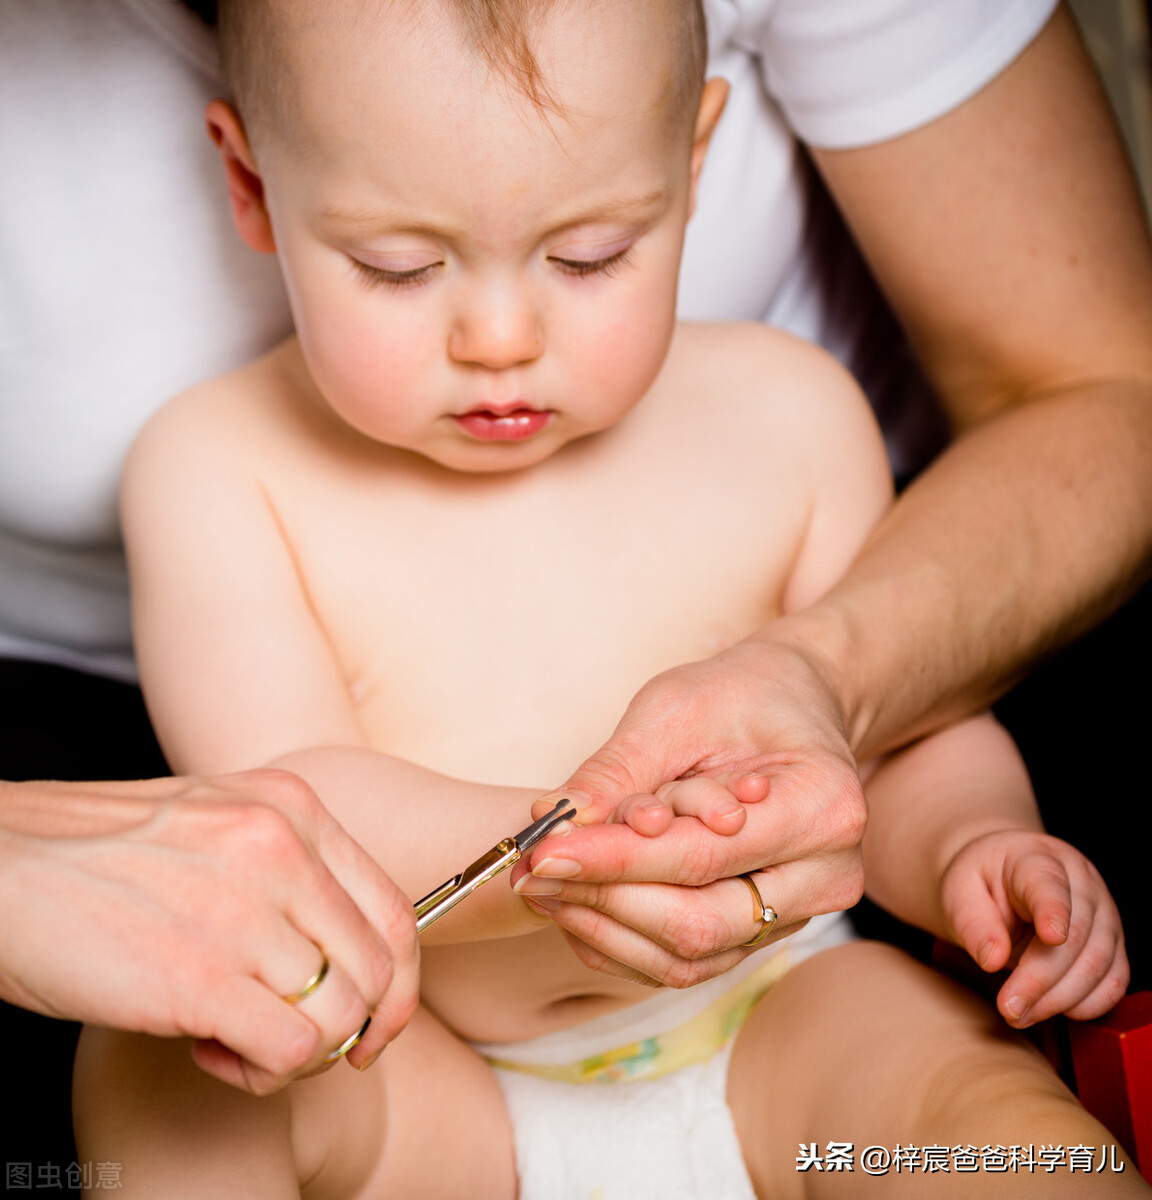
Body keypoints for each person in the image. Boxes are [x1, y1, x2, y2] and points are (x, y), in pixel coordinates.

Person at [3, 0, 1151, 1180]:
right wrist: (572, 852)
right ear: (251, 185)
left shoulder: (790, 414)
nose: (499, 336)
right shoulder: (218, 469)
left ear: (692, 162)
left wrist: (979, 846)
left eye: (590, 254)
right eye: (397, 267)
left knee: (996, 1134)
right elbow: (284, 812)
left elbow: (902, 738)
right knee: (168, 1059)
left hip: (785, 1019)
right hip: (428, 1080)